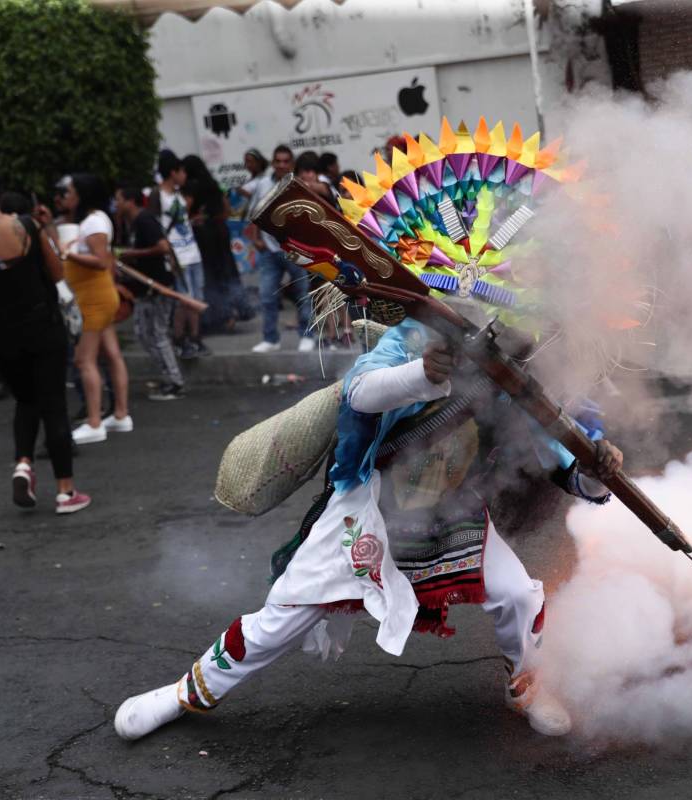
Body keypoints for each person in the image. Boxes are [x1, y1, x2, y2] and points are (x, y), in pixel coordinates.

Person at [115, 313, 624, 741]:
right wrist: (424, 375)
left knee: (515, 594)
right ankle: (186, 692)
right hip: (369, 510)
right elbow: (360, 393)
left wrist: (597, 473)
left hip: (455, 516)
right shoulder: (410, 336)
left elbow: (563, 461)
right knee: (281, 620)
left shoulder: (519, 379)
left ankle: (527, 685)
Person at [0, 151, 90, 513]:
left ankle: (23, 464)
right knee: (53, 403)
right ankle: (66, 492)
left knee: (25, 400)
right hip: (41, 325)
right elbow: (56, 273)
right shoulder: (25, 226)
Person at [62, 173, 132, 444]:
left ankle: (94, 422)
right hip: (98, 295)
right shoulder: (96, 219)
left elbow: (102, 261)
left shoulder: (92, 222)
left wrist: (68, 254)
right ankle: (120, 414)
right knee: (112, 354)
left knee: (84, 360)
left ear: (82, 195)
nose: (67, 197)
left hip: (94, 298)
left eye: (70, 192)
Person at [114, 183, 184, 401]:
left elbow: (162, 247)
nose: (116, 204)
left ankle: (175, 382)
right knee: (144, 335)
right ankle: (168, 376)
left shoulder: (144, 220)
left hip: (158, 288)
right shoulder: (133, 223)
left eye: (119, 199)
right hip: (146, 289)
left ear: (130, 201)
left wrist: (132, 253)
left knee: (157, 334)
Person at [246, 145, 315, 353]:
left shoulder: (298, 184)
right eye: (278, 161)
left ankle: (307, 336)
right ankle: (270, 339)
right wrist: (256, 240)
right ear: (273, 162)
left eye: (286, 161)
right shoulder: (262, 185)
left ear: (291, 164)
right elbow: (254, 214)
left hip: (296, 249)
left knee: (302, 294)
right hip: (269, 250)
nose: (282, 165)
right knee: (267, 296)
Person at [148, 150, 207, 359]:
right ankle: (182, 339)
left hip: (192, 252)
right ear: (173, 172)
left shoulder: (177, 195)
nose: (184, 176)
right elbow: (155, 225)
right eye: (181, 171)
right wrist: (168, 255)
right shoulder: (158, 195)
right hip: (177, 254)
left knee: (196, 297)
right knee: (184, 299)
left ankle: (195, 338)